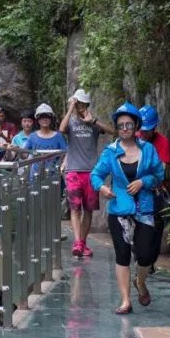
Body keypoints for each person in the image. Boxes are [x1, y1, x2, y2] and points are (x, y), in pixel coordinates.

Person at [91, 102, 165, 315]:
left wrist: (144, 182)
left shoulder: (148, 149)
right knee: (122, 254)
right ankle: (125, 301)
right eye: (121, 125)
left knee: (145, 255)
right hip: (119, 209)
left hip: (145, 209)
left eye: (129, 125)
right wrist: (103, 187)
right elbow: (95, 175)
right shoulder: (110, 152)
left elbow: (159, 175)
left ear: (136, 126)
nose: (124, 129)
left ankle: (140, 282)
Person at [61, 89, 115, 258]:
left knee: (89, 210)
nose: (80, 107)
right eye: (78, 104)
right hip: (73, 171)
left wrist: (94, 121)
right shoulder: (70, 122)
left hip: (91, 172)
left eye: (83, 104)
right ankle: (77, 243)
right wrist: (71, 108)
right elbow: (61, 129)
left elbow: (113, 131)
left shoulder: (93, 124)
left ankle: (82, 243)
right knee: (75, 208)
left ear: (87, 105)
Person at [137, 104, 170, 274]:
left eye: (147, 130)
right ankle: (140, 256)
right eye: (141, 129)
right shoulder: (134, 139)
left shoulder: (162, 142)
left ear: (154, 128)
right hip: (137, 189)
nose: (143, 133)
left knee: (156, 226)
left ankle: (150, 261)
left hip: (156, 190)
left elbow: (163, 169)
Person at [25, 104, 67, 176]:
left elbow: (66, 153)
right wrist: (15, 148)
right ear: (38, 120)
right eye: (41, 117)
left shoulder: (58, 136)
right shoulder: (32, 137)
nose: (44, 119)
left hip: (55, 176)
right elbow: (24, 154)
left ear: (51, 119)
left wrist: (63, 166)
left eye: (47, 117)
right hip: (36, 176)